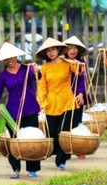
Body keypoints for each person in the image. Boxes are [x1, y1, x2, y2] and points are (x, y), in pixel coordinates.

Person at [0, 42, 42, 179]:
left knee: (32, 139)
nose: (9, 61)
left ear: (16, 56)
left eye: (12, 58)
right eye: (6, 59)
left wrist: (38, 71)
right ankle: (16, 169)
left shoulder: (27, 69)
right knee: (13, 141)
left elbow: (40, 77)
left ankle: (32, 169)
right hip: (12, 113)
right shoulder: (3, 76)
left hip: (30, 109)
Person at [36, 37, 83, 171]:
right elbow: (42, 87)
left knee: (65, 131)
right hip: (51, 102)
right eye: (48, 51)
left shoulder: (67, 63)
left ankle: (61, 160)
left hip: (67, 101)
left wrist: (71, 61)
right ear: (45, 54)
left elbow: (80, 70)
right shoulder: (44, 68)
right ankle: (56, 152)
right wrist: (42, 103)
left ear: (58, 50)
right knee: (51, 132)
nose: (51, 53)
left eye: (53, 50)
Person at [63, 36, 90, 158]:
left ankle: (80, 149)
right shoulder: (61, 62)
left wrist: (80, 93)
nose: (72, 50)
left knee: (77, 121)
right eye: (70, 48)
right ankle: (65, 148)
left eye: (75, 48)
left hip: (77, 95)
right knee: (65, 122)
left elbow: (82, 80)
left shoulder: (81, 63)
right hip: (63, 95)